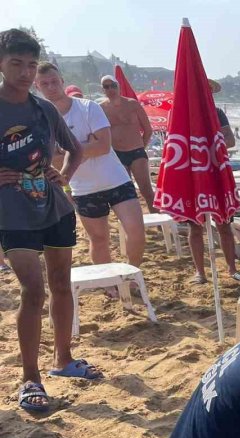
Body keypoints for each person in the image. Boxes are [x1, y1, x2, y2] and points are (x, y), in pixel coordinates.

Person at [0, 29, 102, 413]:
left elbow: (75, 150)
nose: (26, 72)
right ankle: (30, 377)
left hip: (54, 206)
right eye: (16, 63)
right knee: (33, 290)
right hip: (12, 212)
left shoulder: (44, 109)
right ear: (1, 64)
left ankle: (64, 359)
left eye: (31, 64)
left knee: (61, 284)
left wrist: (65, 175)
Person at [35, 63, 146, 268]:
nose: (51, 87)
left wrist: (70, 151)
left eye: (54, 81)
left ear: (62, 81)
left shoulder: (88, 107)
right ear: (37, 86)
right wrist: (86, 146)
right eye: (45, 84)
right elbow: (54, 160)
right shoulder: (41, 121)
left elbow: (103, 146)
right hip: (83, 189)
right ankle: (108, 282)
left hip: (116, 179)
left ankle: (132, 275)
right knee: (99, 240)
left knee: (136, 231)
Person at [187, 94, 240, 283]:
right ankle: (200, 272)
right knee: (195, 226)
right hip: (194, 174)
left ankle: (232, 268)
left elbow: (230, 141)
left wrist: (210, 144)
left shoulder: (217, 113)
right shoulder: (184, 114)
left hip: (217, 172)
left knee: (224, 224)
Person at [99, 74, 156, 213]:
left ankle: (158, 218)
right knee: (126, 193)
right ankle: (133, 219)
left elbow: (148, 129)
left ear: (118, 86)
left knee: (146, 190)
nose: (110, 89)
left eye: (113, 85)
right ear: (103, 89)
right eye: (106, 87)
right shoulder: (101, 108)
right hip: (117, 153)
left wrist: (141, 147)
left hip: (136, 151)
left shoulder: (132, 104)